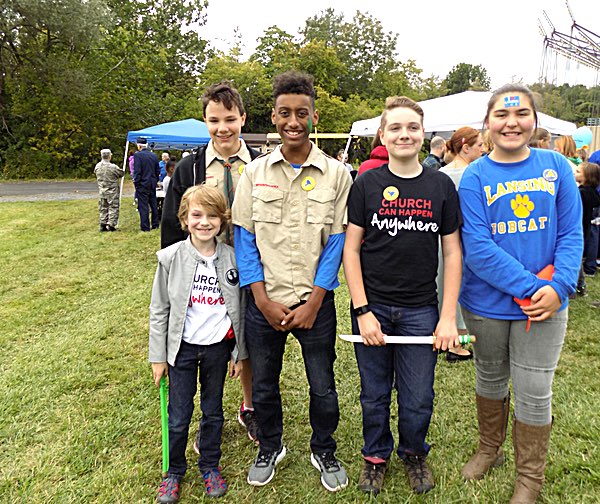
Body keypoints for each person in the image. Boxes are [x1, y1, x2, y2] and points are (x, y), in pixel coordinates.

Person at [458, 84, 582, 504]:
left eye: (522, 114)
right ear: (487, 123)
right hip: (488, 303)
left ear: (534, 121)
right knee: (490, 376)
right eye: (502, 115)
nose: (512, 122)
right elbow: (477, 247)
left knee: (533, 389)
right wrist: (533, 288)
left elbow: (570, 234)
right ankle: (489, 449)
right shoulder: (474, 175)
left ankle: (529, 478)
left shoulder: (558, 167)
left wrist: (558, 286)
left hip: (545, 306)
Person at [232, 70, 352, 492]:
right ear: (273, 116)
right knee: (263, 383)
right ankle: (271, 444)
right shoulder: (254, 173)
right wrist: (261, 300)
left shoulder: (337, 175)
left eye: (302, 113)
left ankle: (324, 448)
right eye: (285, 113)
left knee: (323, 385)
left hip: (314, 305)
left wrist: (316, 301)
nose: (293, 121)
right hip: (265, 304)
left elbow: (336, 241)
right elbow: (244, 239)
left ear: (314, 117)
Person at [342, 96, 462, 495]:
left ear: (423, 134)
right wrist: (362, 311)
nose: (404, 134)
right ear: (383, 134)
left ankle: (414, 454)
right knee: (374, 394)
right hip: (372, 310)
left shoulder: (440, 185)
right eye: (395, 127)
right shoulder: (366, 183)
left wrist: (447, 318)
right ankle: (375, 457)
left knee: (417, 398)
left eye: (412, 127)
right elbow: (351, 249)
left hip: (421, 311)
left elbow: (453, 252)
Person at [160, 81, 261, 446]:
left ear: (243, 118)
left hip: (252, 266)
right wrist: (174, 273)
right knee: (208, 338)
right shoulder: (190, 168)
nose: (223, 128)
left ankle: (250, 406)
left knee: (248, 335)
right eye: (214, 120)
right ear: (205, 121)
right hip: (204, 268)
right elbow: (173, 223)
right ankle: (203, 410)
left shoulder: (262, 165)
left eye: (230, 119)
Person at [149, 185, 248, 502]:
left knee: (213, 411)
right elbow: (159, 309)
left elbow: (239, 311)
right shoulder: (170, 258)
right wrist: (158, 357)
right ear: (184, 218)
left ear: (222, 220)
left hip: (218, 349)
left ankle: (209, 466)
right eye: (197, 215)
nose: (204, 222)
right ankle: (174, 471)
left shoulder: (232, 259)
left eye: (212, 216)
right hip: (182, 350)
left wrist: (238, 353)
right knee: (178, 415)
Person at [438, 126, 484, 362]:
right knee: (459, 283)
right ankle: (456, 341)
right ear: (465, 147)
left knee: (445, 283)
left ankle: (450, 336)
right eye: (479, 146)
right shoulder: (474, 175)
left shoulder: (440, 174)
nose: (483, 150)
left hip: (441, 242)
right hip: (463, 241)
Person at [574, 162, 600, 296]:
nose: (574, 173)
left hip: (578, 229)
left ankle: (578, 286)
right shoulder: (593, 193)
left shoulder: (582, 193)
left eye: (578, 171)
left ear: (588, 177)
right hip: (585, 229)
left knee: (574, 258)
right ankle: (580, 285)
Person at [133, 138, 160, 232]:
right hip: (152, 183)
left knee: (143, 206)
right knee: (153, 204)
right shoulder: (154, 155)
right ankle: (155, 224)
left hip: (142, 183)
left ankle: (145, 226)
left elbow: (137, 171)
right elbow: (157, 170)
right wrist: (155, 180)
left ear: (139, 146)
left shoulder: (137, 155)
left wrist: (136, 183)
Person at [93, 148, 124, 232]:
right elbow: (121, 173)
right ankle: (111, 225)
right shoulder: (113, 167)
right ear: (109, 156)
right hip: (112, 191)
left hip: (102, 190)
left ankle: (102, 224)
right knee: (113, 207)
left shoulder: (97, 166)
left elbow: (95, 173)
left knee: (103, 207)